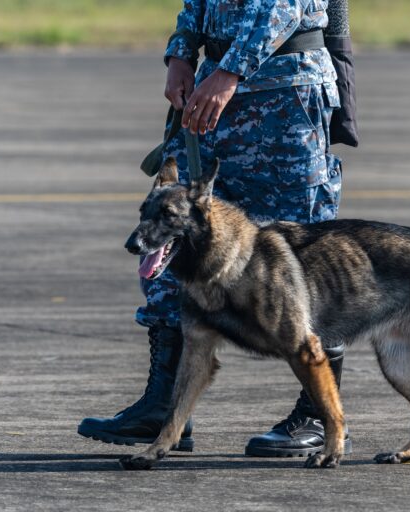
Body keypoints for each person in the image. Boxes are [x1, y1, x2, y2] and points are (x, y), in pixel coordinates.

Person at [79, 0, 353, 457]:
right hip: (215, 89)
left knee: (306, 258)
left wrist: (230, 72)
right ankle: (165, 408)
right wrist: (182, 53)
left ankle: (319, 415)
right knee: (177, 229)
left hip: (285, 96)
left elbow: (280, 7)